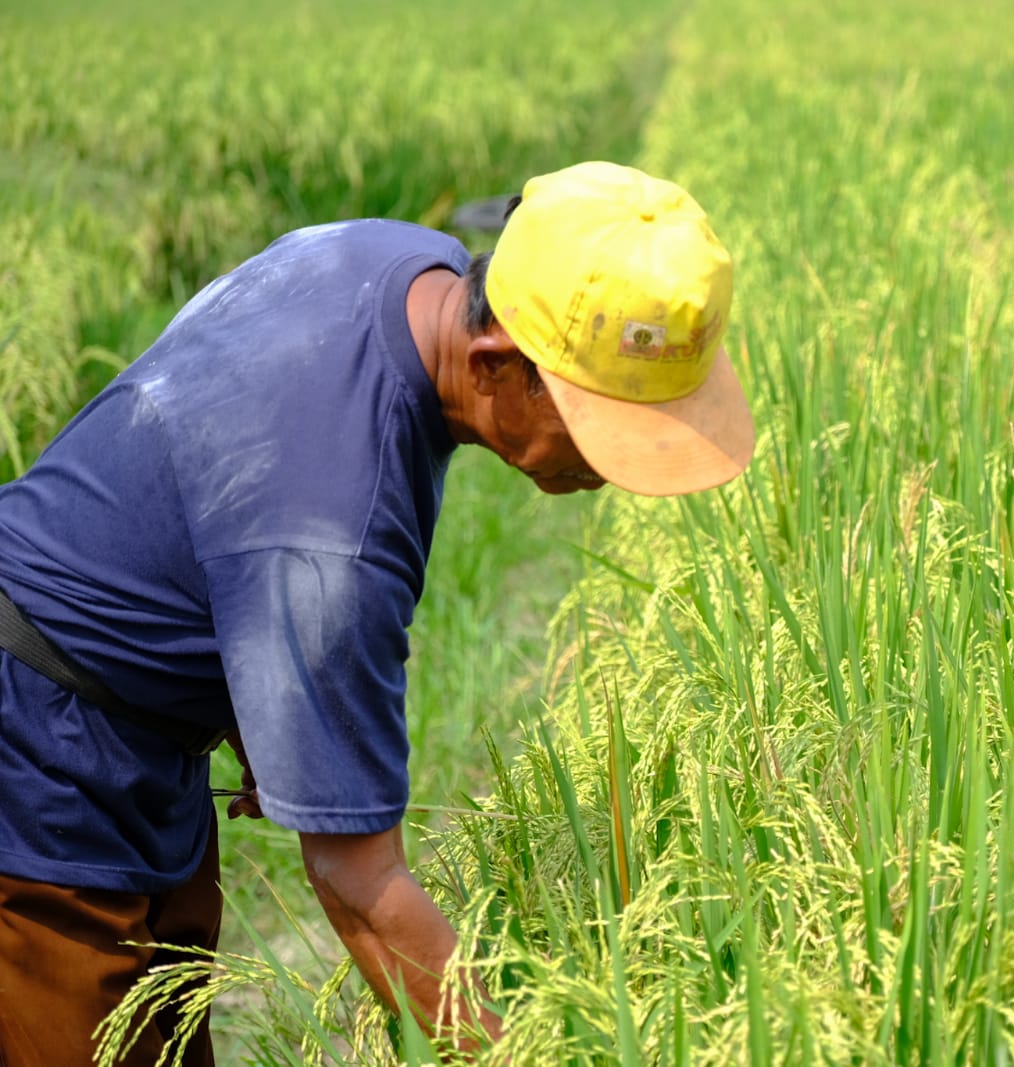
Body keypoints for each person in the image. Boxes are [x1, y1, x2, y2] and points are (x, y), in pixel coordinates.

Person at [0, 160, 753, 1065]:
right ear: (496, 363)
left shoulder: (398, 261)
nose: (610, 471)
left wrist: (259, 693)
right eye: (604, 432)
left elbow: (205, 453)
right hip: (36, 755)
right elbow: (360, 885)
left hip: (139, 730)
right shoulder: (333, 536)